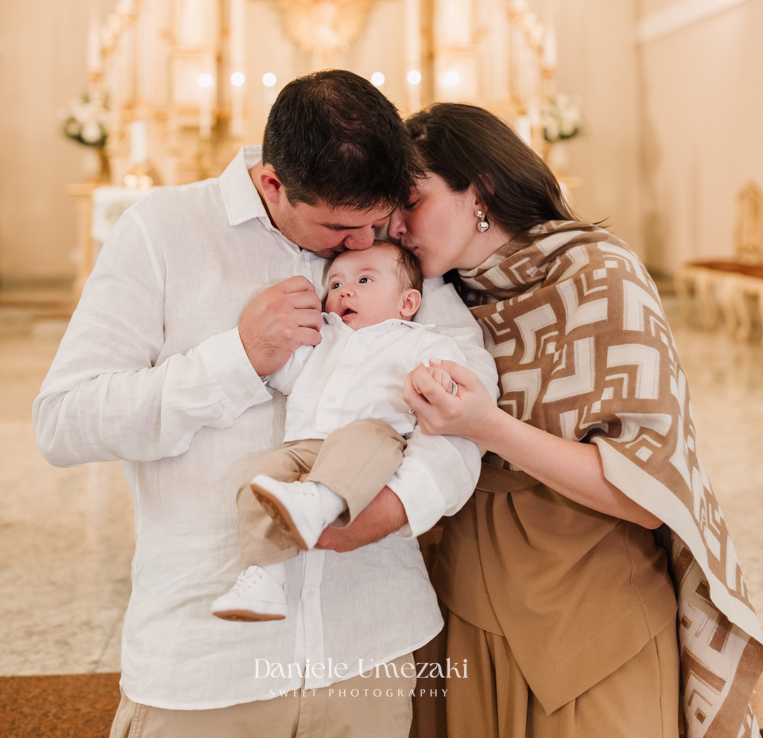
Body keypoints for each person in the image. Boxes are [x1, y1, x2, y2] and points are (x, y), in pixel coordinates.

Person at [33, 72, 496, 738]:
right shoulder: (163, 232)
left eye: (377, 222)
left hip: (369, 648)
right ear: (274, 185)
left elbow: (465, 396)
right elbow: (64, 421)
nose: (367, 244)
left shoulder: (386, 241)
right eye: (342, 228)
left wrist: (404, 503)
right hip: (207, 664)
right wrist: (239, 360)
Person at [389, 102, 763, 738]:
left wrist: (488, 426)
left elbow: (648, 492)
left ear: (477, 189)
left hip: (592, 606)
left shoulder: (597, 274)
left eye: (412, 200)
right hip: (457, 602)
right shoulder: (431, 299)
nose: (397, 226)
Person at [212, 240, 470, 623]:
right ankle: (265, 577)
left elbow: (451, 387)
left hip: (372, 446)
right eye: (334, 285)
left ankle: (320, 501)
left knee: (367, 436)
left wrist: (437, 380)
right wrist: (269, 348)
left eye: (364, 280)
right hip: (305, 445)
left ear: (407, 303)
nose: (345, 290)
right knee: (261, 477)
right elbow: (281, 373)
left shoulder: (421, 341)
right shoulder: (323, 338)